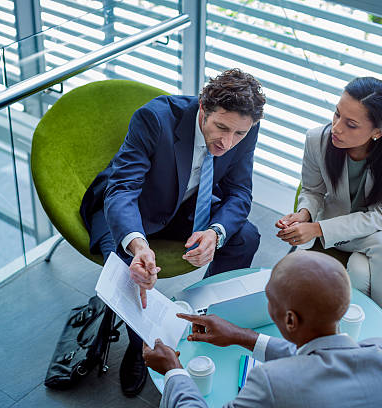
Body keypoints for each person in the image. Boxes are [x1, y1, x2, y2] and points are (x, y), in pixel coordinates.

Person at [80, 68, 266, 397]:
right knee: (128, 265)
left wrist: (215, 232)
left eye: (238, 134)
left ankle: (211, 323)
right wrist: (138, 245)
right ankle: (142, 349)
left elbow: (239, 193)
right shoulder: (155, 118)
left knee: (246, 236)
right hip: (134, 207)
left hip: (187, 205)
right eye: (221, 128)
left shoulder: (244, 129)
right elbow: (122, 190)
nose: (228, 141)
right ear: (202, 109)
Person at [143, 250, 382, 408]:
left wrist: (173, 371)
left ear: (290, 321)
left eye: (269, 299)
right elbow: (325, 359)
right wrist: (242, 336)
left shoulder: (271, 384)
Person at [275, 77, 382, 336]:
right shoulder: (317, 139)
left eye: (351, 124)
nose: (336, 128)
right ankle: (378, 340)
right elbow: (313, 191)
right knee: (359, 271)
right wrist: (304, 214)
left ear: (378, 131)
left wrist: (316, 228)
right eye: (337, 114)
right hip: (343, 225)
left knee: (380, 248)